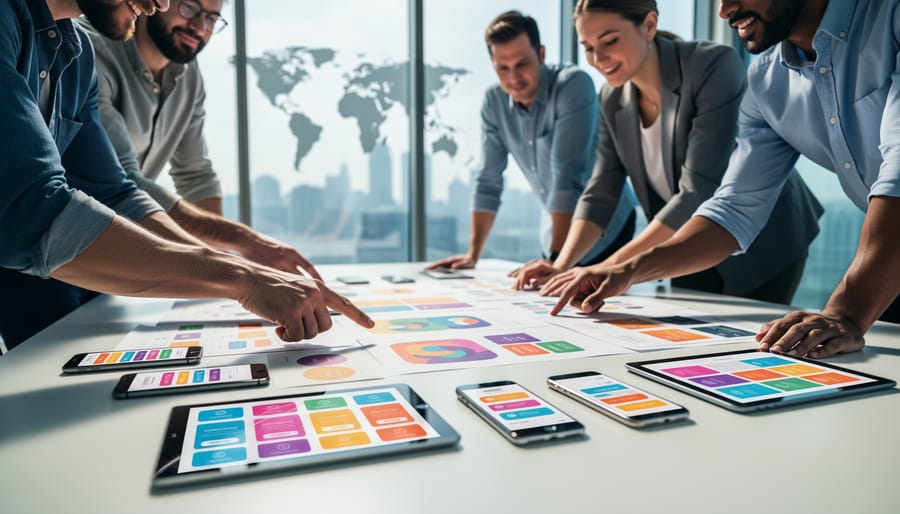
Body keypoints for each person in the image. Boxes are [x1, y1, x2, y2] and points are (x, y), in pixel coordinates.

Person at [0, 0, 373, 351]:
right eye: (188, 5)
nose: (158, 4)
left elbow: (116, 193)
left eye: (212, 16)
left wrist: (234, 271)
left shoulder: (77, 54)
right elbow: (30, 209)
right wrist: (242, 278)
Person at [553, 0, 900, 360]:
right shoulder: (767, 81)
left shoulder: (890, 18)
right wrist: (625, 270)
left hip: (843, 257)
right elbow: (733, 209)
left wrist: (844, 312)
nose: (724, 9)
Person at [512, 0, 821, 306]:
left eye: (610, 41)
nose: (598, 58)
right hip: (682, 242)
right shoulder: (610, 97)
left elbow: (698, 189)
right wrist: (562, 263)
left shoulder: (712, 65)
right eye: (588, 48)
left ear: (648, 26)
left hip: (763, 239)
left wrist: (610, 267)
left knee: (742, 346)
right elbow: (601, 192)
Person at [79, 0, 322, 281]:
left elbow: (196, 177)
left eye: (212, 18)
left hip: (115, 256)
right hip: (60, 252)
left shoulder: (188, 76)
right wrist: (244, 245)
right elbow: (121, 183)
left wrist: (224, 275)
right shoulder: (90, 50)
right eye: (189, 8)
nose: (199, 27)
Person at [427, 10, 638, 273]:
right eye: (502, 68)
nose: (513, 78)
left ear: (541, 54)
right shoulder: (493, 102)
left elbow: (566, 175)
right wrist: (472, 255)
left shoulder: (573, 85)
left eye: (522, 64)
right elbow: (489, 179)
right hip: (554, 233)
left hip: (606, 228)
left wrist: (556, 260)